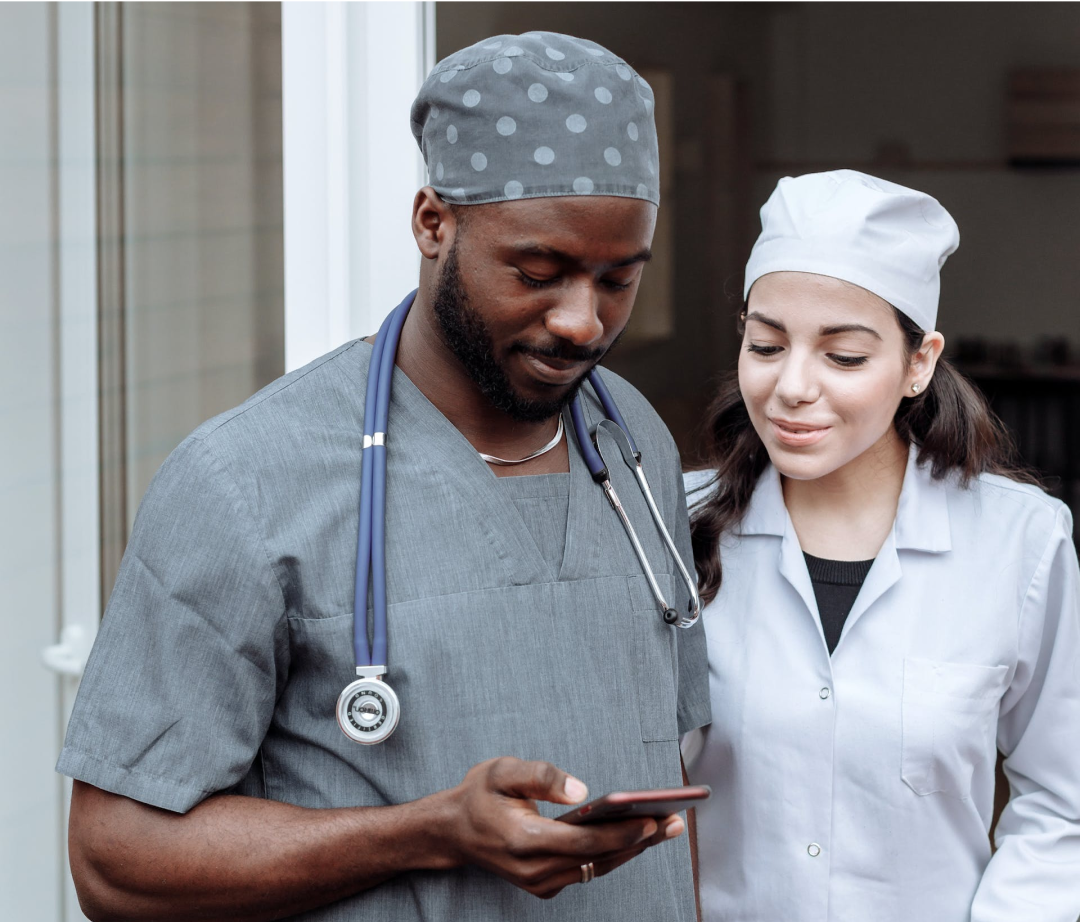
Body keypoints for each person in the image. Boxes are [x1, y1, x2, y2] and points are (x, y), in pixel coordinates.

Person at [58, 32, 709, 922]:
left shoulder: (633, 439)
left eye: (617, 279)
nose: (581, 322)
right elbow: (115, 861)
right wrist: (430, 831)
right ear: (433, 223)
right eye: (538, 271)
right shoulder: (246, 480)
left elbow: (668, 769)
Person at [684, 170, 1080, 921]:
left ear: (919, 363)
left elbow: (1066, 806)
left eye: (844, 357)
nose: (792, 387)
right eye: (767, 345)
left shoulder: (1019, 540)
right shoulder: (669, 524)